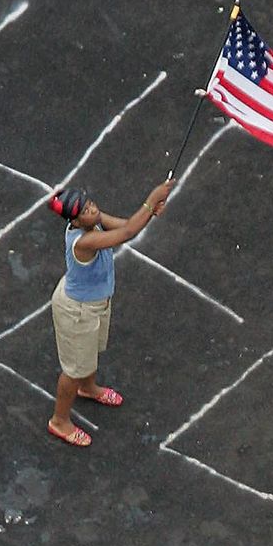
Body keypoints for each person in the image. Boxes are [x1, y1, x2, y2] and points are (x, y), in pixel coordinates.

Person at [45, 180, 172, 448]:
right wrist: (151, 200)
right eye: (87, 210)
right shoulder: (85, 240)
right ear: (75, 222)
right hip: (77, 310)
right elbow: (126, 232)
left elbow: (128, 225)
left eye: (91, 204)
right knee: (72, 369)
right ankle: (60, 421)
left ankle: (87, 388)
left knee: (90, 353)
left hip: (96, 303)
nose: (94, 210)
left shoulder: (92, 221)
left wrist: (148, 213)